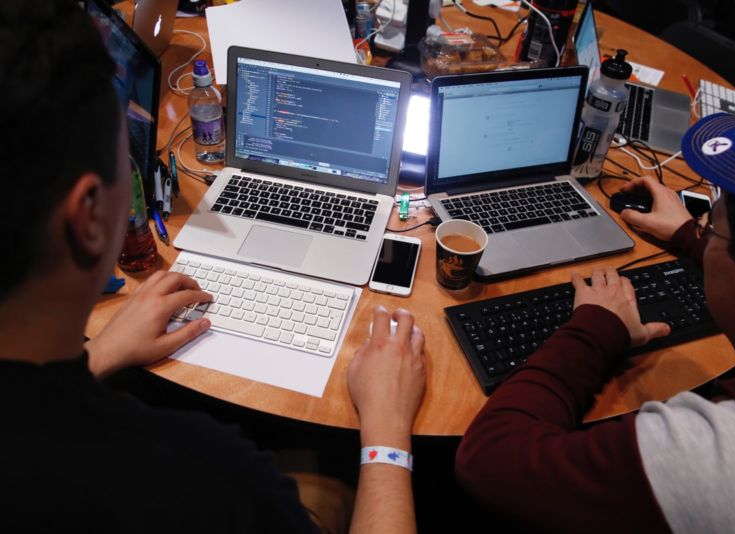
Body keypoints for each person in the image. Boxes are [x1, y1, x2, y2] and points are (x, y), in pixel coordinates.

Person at [0, 2, 425, 533]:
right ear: (89, 217)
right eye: (126, 159)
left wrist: (101, 353)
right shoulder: (207, 477)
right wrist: (387, 434)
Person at [455, 112, 735, 532]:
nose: (704, 232)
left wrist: (596, 328)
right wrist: (690, 236)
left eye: (713, 225)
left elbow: (490, 461)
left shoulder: (730, 458)